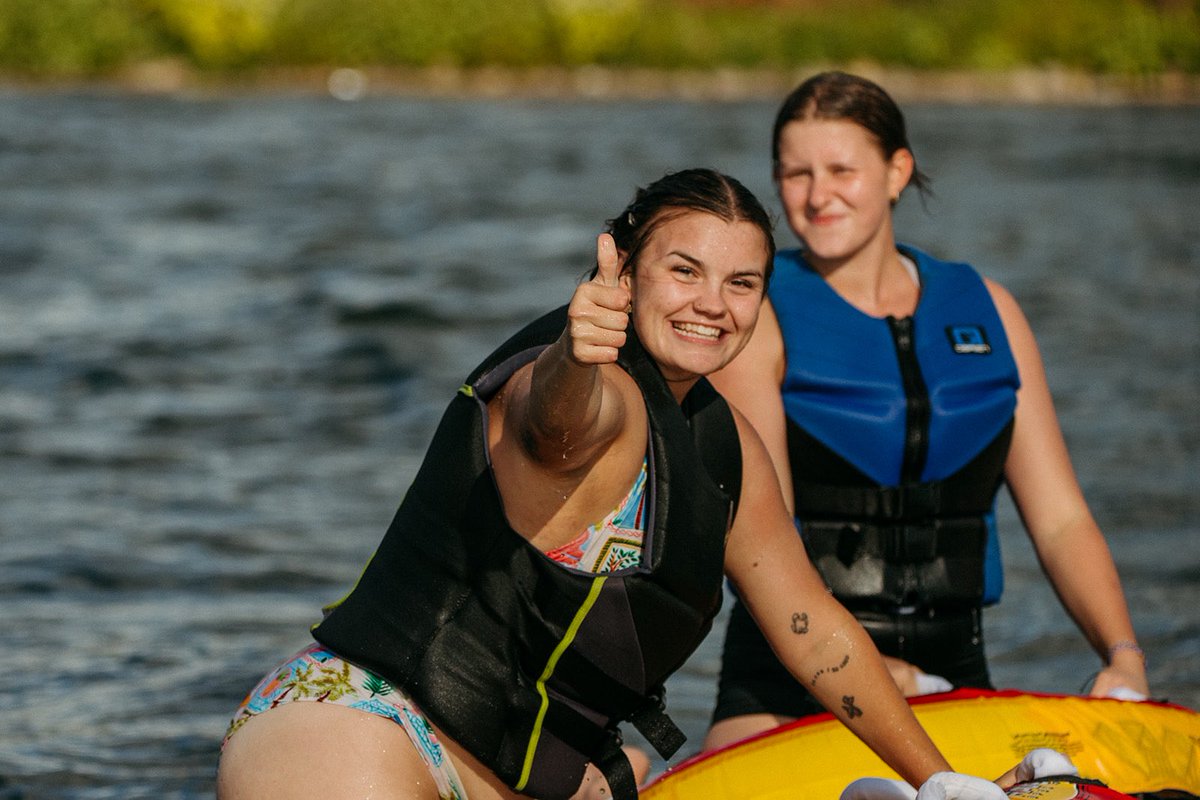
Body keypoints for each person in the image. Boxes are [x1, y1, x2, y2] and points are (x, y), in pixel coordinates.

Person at [216, 168, 1017, 800]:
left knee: (622, 768)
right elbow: (554, 422)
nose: (713, 304)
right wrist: (575, 352)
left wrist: (941, 779)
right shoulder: (583, 388)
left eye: (742, 284)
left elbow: (815, 633)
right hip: (357, 728)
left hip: (508, 771)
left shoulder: (726, 449)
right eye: (684, 270)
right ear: (625, 273)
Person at [703, 72, 1149, 751]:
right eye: (795, 174)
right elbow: (767, 541)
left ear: (896, 171)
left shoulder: (990, 311)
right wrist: (869, 670)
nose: (818, 196)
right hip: (788, 678)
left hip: (952, 675)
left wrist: (1122, 655)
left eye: (841, 170)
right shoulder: (758, 318)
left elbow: (1061, 522)